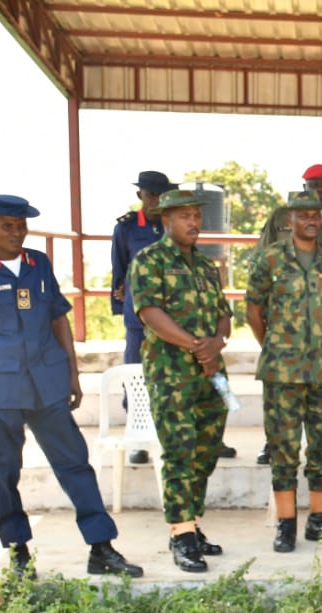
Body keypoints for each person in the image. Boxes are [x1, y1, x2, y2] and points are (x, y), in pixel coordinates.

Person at [0, 194, 142, 579]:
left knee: (75, 465)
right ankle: (19, 553)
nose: (16, 233)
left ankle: (101, 548)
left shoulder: (39, 265)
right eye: (7, 226)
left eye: (21, 226)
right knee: (5, 470)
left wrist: (72, 372)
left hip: (47, 384)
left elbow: (58, 319)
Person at [129, 189, 233, 573]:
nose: (194, 222)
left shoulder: (206, 267)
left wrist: (216, 344)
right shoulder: (149, 260)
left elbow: (224, 314)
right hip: (171, 374)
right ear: (165, 220)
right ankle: (181, 534)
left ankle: (193, 523)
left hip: (210, 373)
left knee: (206, 450)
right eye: (185, 216)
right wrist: (196, 346)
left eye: (196, 215)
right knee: (179, 450)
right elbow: (149, 312)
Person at [246, 191, 322, 553]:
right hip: (282, 372)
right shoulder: (269, 259)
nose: (311, 219)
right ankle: (286, 524)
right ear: (288, 220)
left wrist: (318, 342)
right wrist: (276, 346)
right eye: (302, 214)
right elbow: (253, 312)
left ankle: (318, 523)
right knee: (283, 450)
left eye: (315, 214)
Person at [253, 163, 322, 466]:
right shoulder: (280, 216)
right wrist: (269, 338)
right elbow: (261, 260)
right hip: (282, 321)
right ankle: (273, 445)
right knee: (280, 398)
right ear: (305, 186)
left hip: (319, 333)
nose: (321, 190)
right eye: (316, 185)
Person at [111, 170, 177, 465]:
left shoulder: (173, 224)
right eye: (151, 194)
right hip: (138, 317)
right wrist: (120, 302)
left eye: (161, 195)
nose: (156, 200)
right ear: (140, 196)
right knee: (136, 376)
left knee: (174, 376)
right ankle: (138, 438)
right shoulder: (125, 228)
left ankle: (173, 435)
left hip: (173, 316)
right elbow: (119, 269)